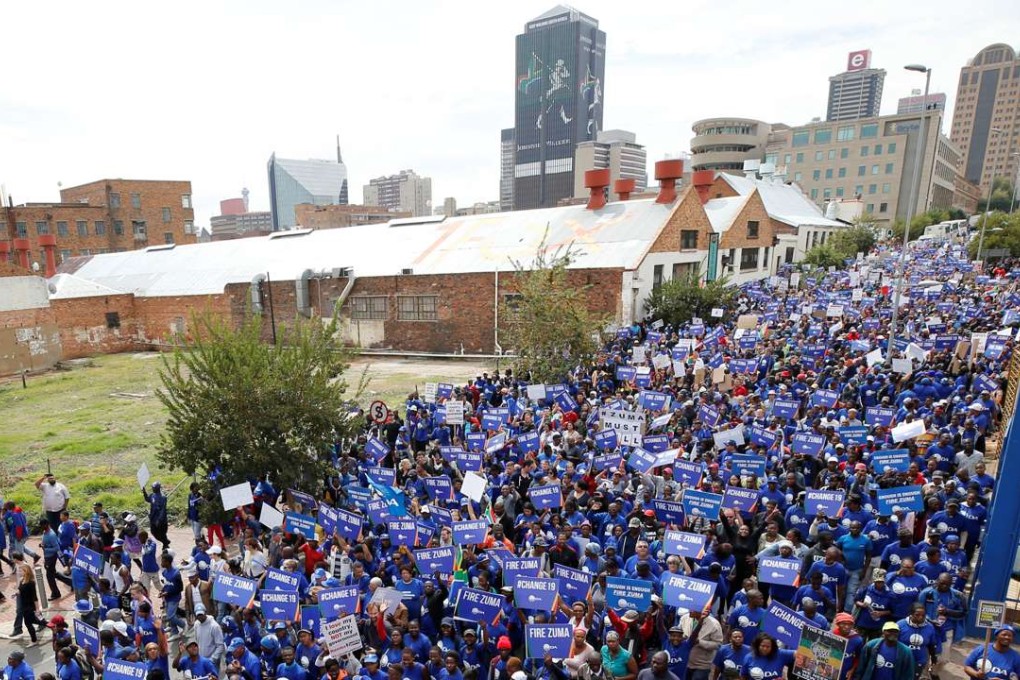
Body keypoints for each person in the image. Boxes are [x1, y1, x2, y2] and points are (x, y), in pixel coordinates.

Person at [11, 551, 47, 642]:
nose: (19, 571)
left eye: (13, 558)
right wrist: (17, 589)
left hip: (26, 593)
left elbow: (34, 597)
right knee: (22, 612)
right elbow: (19, 579)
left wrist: (38, 609)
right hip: (21, 591)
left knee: (26, 612)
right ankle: (19, 628)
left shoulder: (25, 566)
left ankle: (42, 623)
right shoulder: (17, 566)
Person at [39, 519, 72, 600]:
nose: (41, 527)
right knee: (54, 573)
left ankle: (56, 594)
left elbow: (56, 548)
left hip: (51, 558)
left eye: (42, 525)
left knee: (49, 576)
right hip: (47, 557)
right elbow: (46, 543)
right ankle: (71, 582)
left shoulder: (51, 535)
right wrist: (42, 544)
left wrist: (45, 549)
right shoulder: (45, 532)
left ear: (47, 524)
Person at [142, 482, 171, 550]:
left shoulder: (163, 497)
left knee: (162, 533)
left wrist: (159, 520)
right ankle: (166, 542)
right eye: (153, 488)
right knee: (154, 532)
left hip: (161, 520)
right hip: (153, 518)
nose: (153, 489)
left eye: (154, 488)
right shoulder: (152, 495)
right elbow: (147, 499)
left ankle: (165, 545)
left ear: (158, 488)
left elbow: (163, 510)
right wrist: (144, 492)